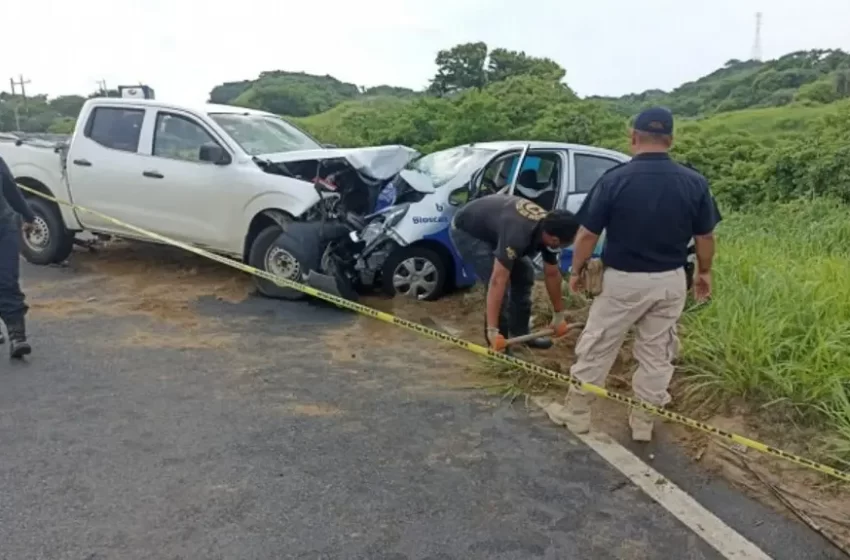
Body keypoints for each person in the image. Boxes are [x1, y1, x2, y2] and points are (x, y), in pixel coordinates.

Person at [546, 107, 721, 442]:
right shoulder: (695, 182)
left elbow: (586, 235)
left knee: (598, 345)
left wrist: (577, 270)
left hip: (623, 281)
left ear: (633, 136)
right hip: (671, 281)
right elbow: (705, 237)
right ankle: (643, 422)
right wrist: (705, 272)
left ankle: (578, 413)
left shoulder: (615, 178)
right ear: (670, 139)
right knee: (658, 352)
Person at [449, 193, 580, 352]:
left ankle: (520, 333)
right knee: (501, 286)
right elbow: (497, 280)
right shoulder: (518, 235)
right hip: (469, 232)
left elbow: (552, 274)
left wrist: (559, 315)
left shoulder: (550, 228)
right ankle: (498, 344)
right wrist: (492, 330)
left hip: (496, 227)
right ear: (553, 239)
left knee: (524, 274)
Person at [0, 155, 36, 358]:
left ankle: (17, 337)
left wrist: (28, 216)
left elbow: (11, 190)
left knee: (7, 280)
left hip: (3, 227)